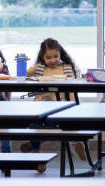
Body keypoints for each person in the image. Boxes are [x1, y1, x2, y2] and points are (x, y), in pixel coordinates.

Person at [20, 38, 84, 166]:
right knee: (35, 124)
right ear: (42, 57)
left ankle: (33, 146)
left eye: (56, 56)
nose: (53, 60)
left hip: (60, 107)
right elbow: (23, 76)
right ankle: (36, 154)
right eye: (48, 57)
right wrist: (23, 63)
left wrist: (72, 106)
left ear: (60, 54)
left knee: (53, 125)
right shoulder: (40, 68)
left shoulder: (66, 67)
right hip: (40, 106)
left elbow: (72, 90)